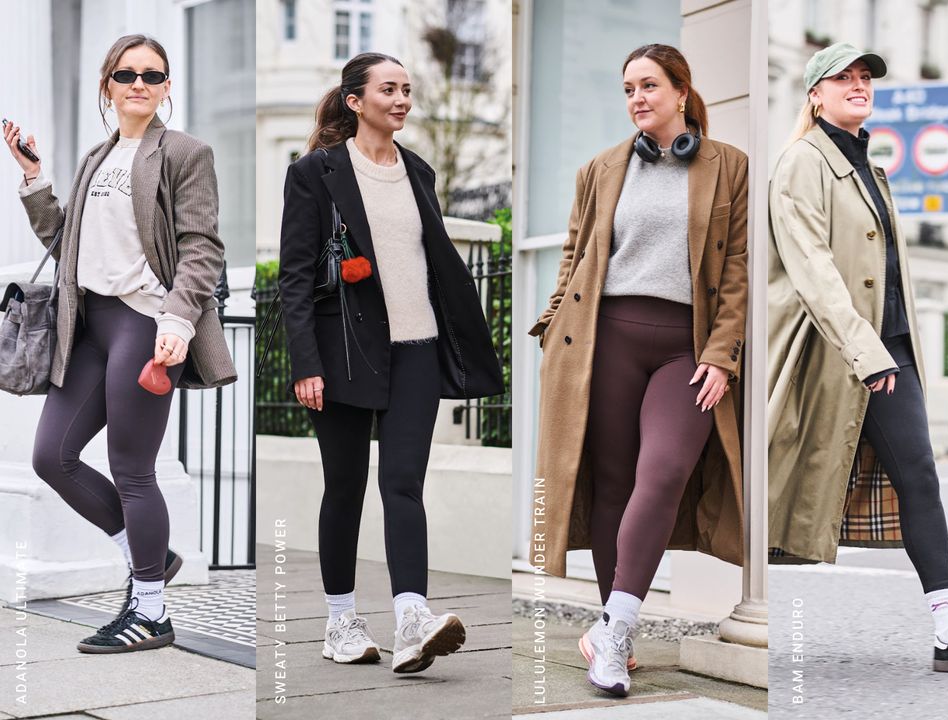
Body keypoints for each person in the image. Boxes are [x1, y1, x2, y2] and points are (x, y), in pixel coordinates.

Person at [767, 42, 948, 672]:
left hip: (890, 348)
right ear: (815, 95)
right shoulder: (802, 162)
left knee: (918, 478)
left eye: (864, 78)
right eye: (842, 78)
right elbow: (814, 271)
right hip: (847, 354)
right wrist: (866, 351)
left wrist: (885, 350)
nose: (858, 85)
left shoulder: (869, 167)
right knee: (776, 485)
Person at [4, 34, 236, 653]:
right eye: (127, 74)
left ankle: (152, 612)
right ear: (108, 84)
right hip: (89, 325)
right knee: (51, 457)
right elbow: (66, 239)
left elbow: (201, 246)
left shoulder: (186, 152)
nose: (139, 83)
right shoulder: (95, 157)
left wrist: (178, 322)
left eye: (152, 74)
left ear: (166, 86)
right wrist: (33, 177)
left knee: (133, 470)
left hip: (145, 322)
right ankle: (151, 559)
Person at [528, 43, 748, 697]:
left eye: (649, 85)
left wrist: (722, 352)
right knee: (612, 486)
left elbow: (735, 269)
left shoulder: (726, 167)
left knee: (666, 470)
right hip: (605, 341)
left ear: (682, 91)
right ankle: (615, 634)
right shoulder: (602, 168)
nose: (637, 99)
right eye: (627, 89)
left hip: (687, 345)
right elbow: (576, 253)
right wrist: (550, 323)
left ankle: (612, 628)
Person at [278, 51, 502, 674]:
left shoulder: (419, 171)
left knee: (404, 483)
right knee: (344, 487)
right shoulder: (315, 174)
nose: (401, 99)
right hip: (344, 353)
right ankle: (340, 621)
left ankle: (411, 619)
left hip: (418, 350)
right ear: (355, 100)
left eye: (407, 89)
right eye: (388, 89)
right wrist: (305, 363)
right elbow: (295, 277)